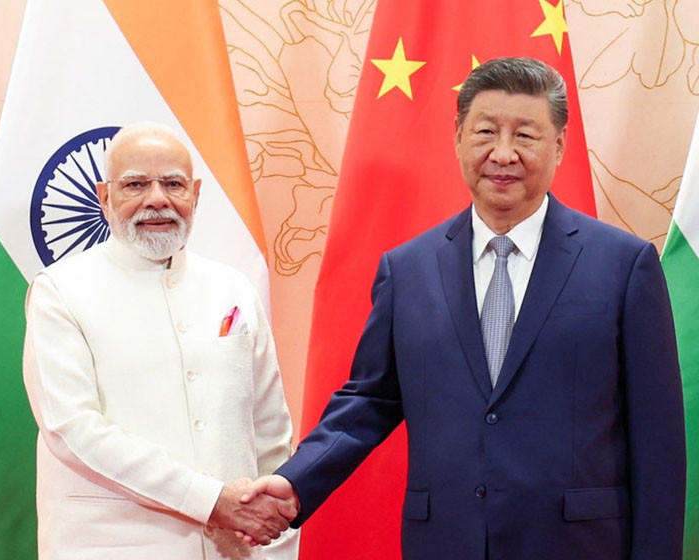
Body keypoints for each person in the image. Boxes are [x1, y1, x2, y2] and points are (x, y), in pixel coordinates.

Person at [242, 57, 686, 559]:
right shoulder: (407, 270)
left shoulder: (624, 265)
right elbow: (369, 400)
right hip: (446, 543)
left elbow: (658, 442)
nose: (503, 153)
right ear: (458, 138)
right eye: (486, 132)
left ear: (559, 145)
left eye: (525, 135)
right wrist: (296, 482)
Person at [22, 122, 299, 559]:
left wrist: (277, 546)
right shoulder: (60, 291)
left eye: (173, 184)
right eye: (135, 184)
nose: (157, 199)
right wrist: (209, 499)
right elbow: (73, 430)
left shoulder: (232, 288)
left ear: (196, 195)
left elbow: (271, 434)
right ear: (104, 197)